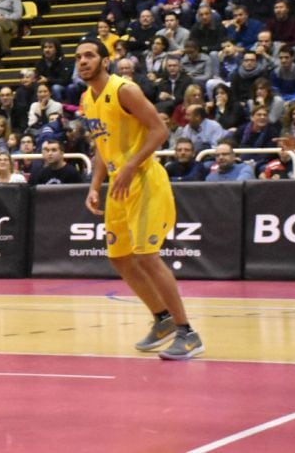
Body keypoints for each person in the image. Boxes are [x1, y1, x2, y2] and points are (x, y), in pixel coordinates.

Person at [77, 38, 204, 360]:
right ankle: (161, 319)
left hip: (144, 179)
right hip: (118, 184)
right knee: (119, 257)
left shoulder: (124, 90)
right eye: (78, 57)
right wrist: (95, 185)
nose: (83, 61)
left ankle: (187, 332)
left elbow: (159, 131)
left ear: (105, 61)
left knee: (146, 255)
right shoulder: (86, 99)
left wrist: (131, 166)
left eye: (90, 55)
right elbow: (101, 147)